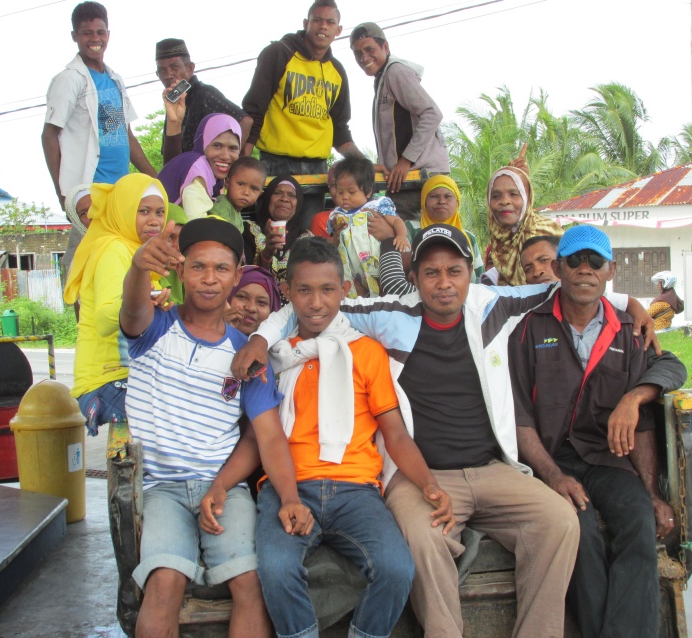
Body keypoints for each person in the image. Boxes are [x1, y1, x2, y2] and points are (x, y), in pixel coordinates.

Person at [233, 224, 659, 638]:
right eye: (431, 272)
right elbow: (310, 301)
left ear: (470, 274)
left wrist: (629, 302)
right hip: (423, 475)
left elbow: (565, 286)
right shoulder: (392, 315)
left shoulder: (491, 306)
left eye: (454, 271)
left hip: (492, 469)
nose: (443, 283)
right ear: (414, 277)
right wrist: (258, 337)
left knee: (560, 522)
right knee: (420, 538)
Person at [120, 216, 309, 638]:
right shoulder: (155, 329)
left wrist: (290, 496)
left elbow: (268, 436)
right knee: (164, 582)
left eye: (222, 269)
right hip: (160, 489)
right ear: (180, 269)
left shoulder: (245, 354)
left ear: (236, 275)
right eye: (199, 267)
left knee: (250, 585)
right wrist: (138, 267)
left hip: (223, 489)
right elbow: (132, 311)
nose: (210, 279)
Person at [255, 237, 453, 638]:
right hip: (287, 485)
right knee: (276, 570)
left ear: (344, 291)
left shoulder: (366, 352)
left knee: (397, 568)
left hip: (357, 491)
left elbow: (394, 432)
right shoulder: (276, 357)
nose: (315, 303)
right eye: (304, 291)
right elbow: (262, 436)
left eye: (328, 290)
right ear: (288, 292)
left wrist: (428, 483)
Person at [509, 225, 686, 638]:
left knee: (638, 522)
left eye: (595, 261)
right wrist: (553, 476)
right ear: (558, 268)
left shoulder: (630, 330)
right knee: (580, 535)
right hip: (550, 462)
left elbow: (673, 368)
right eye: (574, 260)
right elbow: (519, 417)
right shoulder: (527, 329)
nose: (585, 269)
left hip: (608, 461)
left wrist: (635, 397)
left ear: (610, 270)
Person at [63, 173, 168, 436]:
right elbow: (106, 318)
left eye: (160, 211)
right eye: (143, 211)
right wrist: (146, 303)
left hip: (127, 376)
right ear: (122, 211)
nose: (154, 220)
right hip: (103, 380)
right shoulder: (114, 250)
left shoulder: (136, 250)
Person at [42, 1, 156, 210]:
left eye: (100, 32)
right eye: (87, 33)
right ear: (75, 36)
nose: (95, 38)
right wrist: (63, 194)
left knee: (118, 244)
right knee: (89, 243)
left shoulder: (115, 80)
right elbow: (49, 135)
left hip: (120, 190)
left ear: (108, 34)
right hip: (89, 192)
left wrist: (156, 179)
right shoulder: (69, 79)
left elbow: (127, 135)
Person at [241, 0, 362, 175]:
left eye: (330, 22)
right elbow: (254, 109)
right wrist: (244, 160)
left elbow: (340, 127)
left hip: (318, 167)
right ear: (306, 24)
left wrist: (363, 163)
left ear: (338, 30)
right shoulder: (279, 53)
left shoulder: (337, 71)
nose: (323, 26)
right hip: (276, 163)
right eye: (317, 20)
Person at [349, 22, 449, 194]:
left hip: (420, 177)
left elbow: (432, 113)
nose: (364, 58)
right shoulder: (383, 77)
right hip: (406, 177)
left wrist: (406, 160)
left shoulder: (396, 71)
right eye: (358, 53)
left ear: (385, 47)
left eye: (369, 50)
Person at [155, 38, 253, 166]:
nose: (168, 75)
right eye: (162, 70)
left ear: (190, 68)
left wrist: (230, 163)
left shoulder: (205, 93)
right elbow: (170, 161)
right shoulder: (174, 102)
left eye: (174, 67)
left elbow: (245, 121)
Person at [328, 157, 409, 297]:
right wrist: (335, 235)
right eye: (340, 192)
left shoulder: (376, 207)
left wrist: (401, 235)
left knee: (383, 296)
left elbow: (396, 221)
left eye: (351, 192)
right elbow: (332, 241)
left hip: (378, 265)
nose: (345, 197)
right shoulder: (336, 216)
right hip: (351, 270)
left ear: (368, 191)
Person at [485, 164, 563, 286]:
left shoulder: (546, 230)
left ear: (527, 197)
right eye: (496, 196)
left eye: (514, 194)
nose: (504, 201)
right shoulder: (499, 240)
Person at [157, 114, 241, 221]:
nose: (225, 156)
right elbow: (196, 222)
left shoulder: (208, 172)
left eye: (233, 148)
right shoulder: (196, 169)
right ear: (203, 143)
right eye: (217, 145)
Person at [243, 175, 313, 290]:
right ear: (267, 198)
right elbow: (246, 277)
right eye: (277, 193)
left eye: (292, 195)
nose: (284, 198)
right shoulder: (249, 231)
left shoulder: (307, 239)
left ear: (298, 203)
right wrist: (267, 254)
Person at [207, 156, 267, 232]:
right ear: (227, 183)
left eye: (254, 189)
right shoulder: (221, 208)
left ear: (260, 194)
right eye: (241, 184)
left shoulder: (236, 213)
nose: (246, 192)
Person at [225, 266, 283, 335]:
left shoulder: (284, 345)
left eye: (261, 302)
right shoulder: (210, 339)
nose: (251, 308)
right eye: (242, 297)